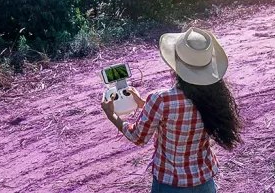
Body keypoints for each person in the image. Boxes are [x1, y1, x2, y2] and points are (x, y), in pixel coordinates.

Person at [101, 27, 243, 193]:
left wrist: (111, 115)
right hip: (204, 181)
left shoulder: (161, 100)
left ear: (175, 63)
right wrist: (142, 103)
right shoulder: (214, 98)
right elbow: (183, 113)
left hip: (170, 182)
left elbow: (138, 137)